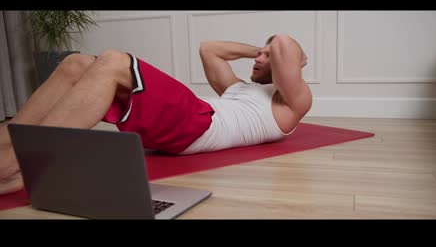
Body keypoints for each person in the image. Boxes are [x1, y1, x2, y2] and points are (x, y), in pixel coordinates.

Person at [0, 33, 312, 195]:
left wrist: (287, 55)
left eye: (268, 57)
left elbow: (285, 43)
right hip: (187, 123)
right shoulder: (237, 89)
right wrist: (259, 49)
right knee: (75, 64)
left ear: (291, 66)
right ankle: (6, 143)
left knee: (113, 61)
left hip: (198, 125)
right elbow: (209, 48)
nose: (259, 58)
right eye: (259, 53)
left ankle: (18, 164)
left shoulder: (290, 104)